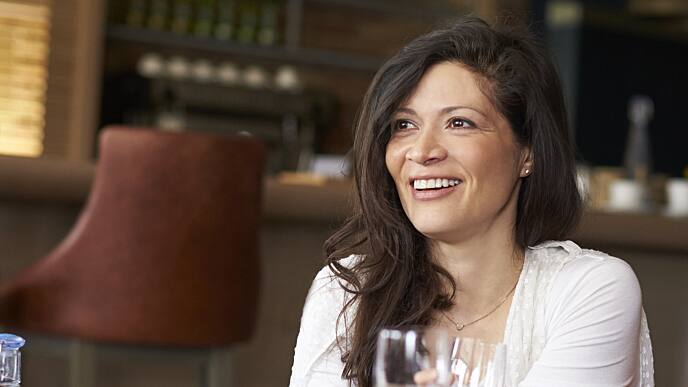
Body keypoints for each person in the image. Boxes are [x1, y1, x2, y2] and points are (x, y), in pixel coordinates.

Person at [289, 16, 654, 387]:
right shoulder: (346, 292)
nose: (422, 150)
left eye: (459, 123)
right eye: (404, 125)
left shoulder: (589, 290)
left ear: (527, 152)